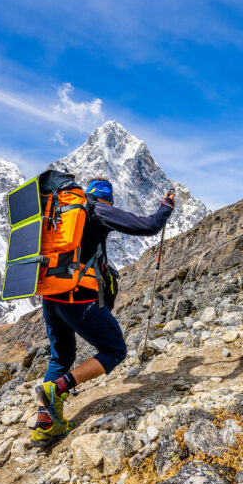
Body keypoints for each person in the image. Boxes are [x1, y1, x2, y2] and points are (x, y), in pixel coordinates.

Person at [30, 179, 175, 445]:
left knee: (61, 356)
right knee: (115, 350)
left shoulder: (60, 212)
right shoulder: (97, 210)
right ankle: (58, 388)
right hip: (79, 298)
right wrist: (166, 206)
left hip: (51, 295)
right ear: (107, 199)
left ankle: (45, 424)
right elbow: (149, 226)